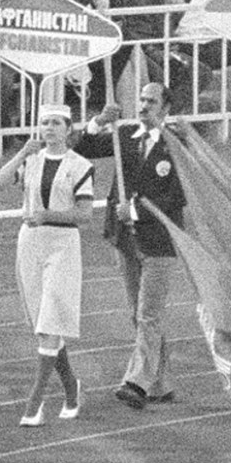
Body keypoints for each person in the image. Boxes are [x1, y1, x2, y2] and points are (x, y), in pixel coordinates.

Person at [72, 79, 187, 410]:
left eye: (151, 101)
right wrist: (98, 123)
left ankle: (135, 383)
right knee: (137, 315)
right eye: (141, 99)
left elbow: (175, 197)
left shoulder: (175, 144)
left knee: (148, 314)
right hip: (125, 239)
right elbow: (84, 151)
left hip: (159, 242)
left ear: (166, 108)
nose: (143, 106)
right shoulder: (124, 137)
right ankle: (161, 384)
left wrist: (134, 209)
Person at [0, 104, 97, 425]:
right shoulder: (31, 161)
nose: (49, 129)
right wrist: (20, 154)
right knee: (43, 324)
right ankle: (71, 387)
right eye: (44, 123)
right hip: (30, 243)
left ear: (68, 128)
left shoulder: (80, 165)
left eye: (55, 123)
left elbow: (85, 214)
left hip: (62, 245)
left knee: (51, 318)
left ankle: (35, 402)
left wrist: (48, 215)